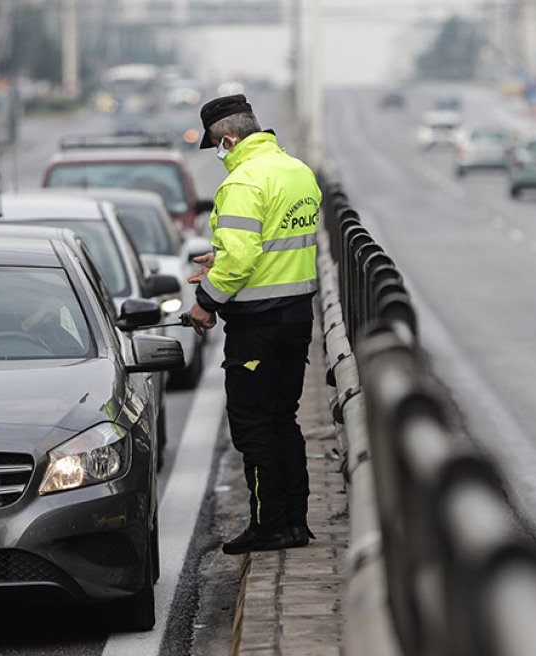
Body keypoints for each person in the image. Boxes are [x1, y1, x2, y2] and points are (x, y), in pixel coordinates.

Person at [186, 94, 322, 555]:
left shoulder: (243, 181)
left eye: (216, 147)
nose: (219, 155)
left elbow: (242, 258)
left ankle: (268, 525)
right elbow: (275, 242)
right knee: (284, 420)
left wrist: (205, 301)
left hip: (257, 327)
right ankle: (295, 524)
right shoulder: (297, 171)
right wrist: (221, 257)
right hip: (297, 317)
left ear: (228, 139)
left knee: (253, 427)